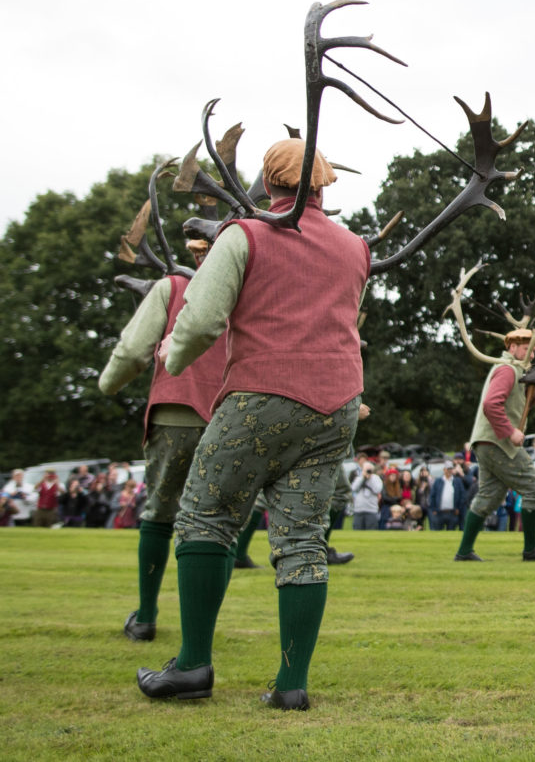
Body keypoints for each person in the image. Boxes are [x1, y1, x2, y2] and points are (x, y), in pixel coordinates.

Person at [135, 139, 368, 710]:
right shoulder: (355, 247)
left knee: (205, 515)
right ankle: (291, 685)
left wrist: (172, 354)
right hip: (335, 406)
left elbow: (203, 317)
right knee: (303, 539)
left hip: (260, 396)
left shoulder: (244, 234)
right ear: (323, 185)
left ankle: (191, 666)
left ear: (269, 185)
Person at [99, 236, 232, 640]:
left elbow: (133, 351)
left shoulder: (171, 288)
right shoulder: (253, 286)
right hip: (230, 415)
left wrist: (108, 384)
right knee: (217, 522)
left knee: (159, 514)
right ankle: (201, 630)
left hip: (176, 413)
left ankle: (146, 616)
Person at [453, 327, 535, 562]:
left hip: (488, 442)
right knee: (534, 488)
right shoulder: (507, 370)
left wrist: (531, 397)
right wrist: (510, 432)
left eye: (532, 350)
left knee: (487, 498)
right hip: (498, 442)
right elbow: (491, 404)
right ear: (512, 348)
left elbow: (508, 405)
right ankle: (531, 548)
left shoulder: (511, 370)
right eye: (526, 349)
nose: (531, 354)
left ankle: (464, 552)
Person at [429, 462, 466, 532]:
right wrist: (433, 509)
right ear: (444, 470)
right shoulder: (438, 481)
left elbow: (462, 496)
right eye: (448, 469)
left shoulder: (457, 481)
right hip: (439, 512)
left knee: (451, 531)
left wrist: (458, 508)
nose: (449, 471)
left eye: (451, 469)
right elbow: (432, 496)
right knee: (437, 532)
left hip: (452, 512)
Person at [351, 460, 383, 531]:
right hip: (358, 509)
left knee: (371, 531)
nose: (368, 471)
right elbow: (353, 488)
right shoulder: (359, 478)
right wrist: (363, 477)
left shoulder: (376, 478)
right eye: (366, 469)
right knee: (357, 530)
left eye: (369, 469)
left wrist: (370, 478)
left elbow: (377, 490)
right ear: (363, 469)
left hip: (371, 510)